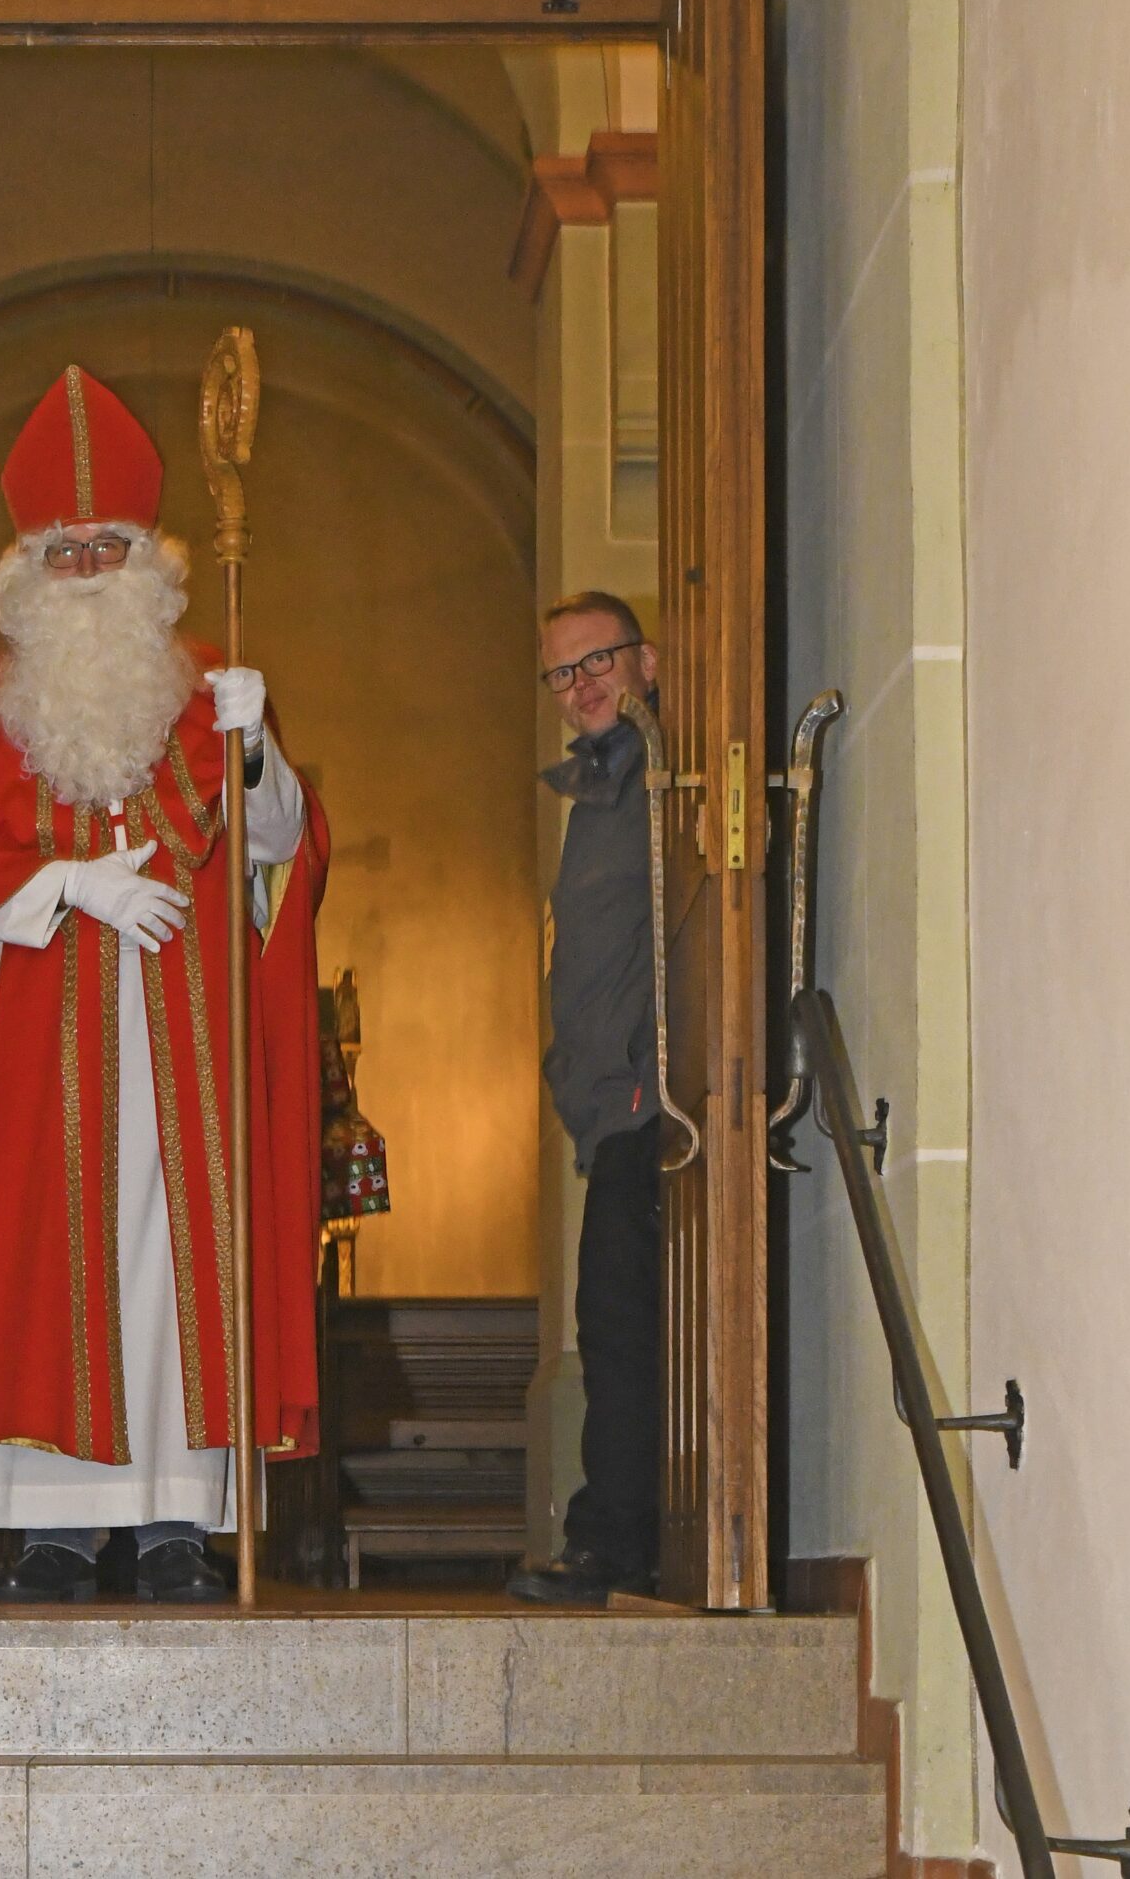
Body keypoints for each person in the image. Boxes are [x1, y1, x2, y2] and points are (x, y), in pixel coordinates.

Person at [0, 365, 330, 1605]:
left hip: (182, 1058)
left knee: (170, 1281)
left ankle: (176, 1523)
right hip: (30, 1063)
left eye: (104, 544)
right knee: (30, 1274)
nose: (83, 568)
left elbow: (277, 853)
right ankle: (51, 1533)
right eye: (61, 550)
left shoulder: (207, 691)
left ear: (149, 560)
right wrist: (67, 887)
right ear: (22, 566)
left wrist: (259, 747)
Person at [510, 591, 665, 1605]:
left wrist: (667, 1060)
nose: (581, 687)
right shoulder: (593, 795)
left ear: (645, 662)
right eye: (563, 673)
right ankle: (613, 1535)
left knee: (619, 1319)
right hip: (610, 1107)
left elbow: (693, 919)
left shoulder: (671, 780)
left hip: (662, 1104)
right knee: (611, 1319)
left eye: (597, 661)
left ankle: (613, 1542)